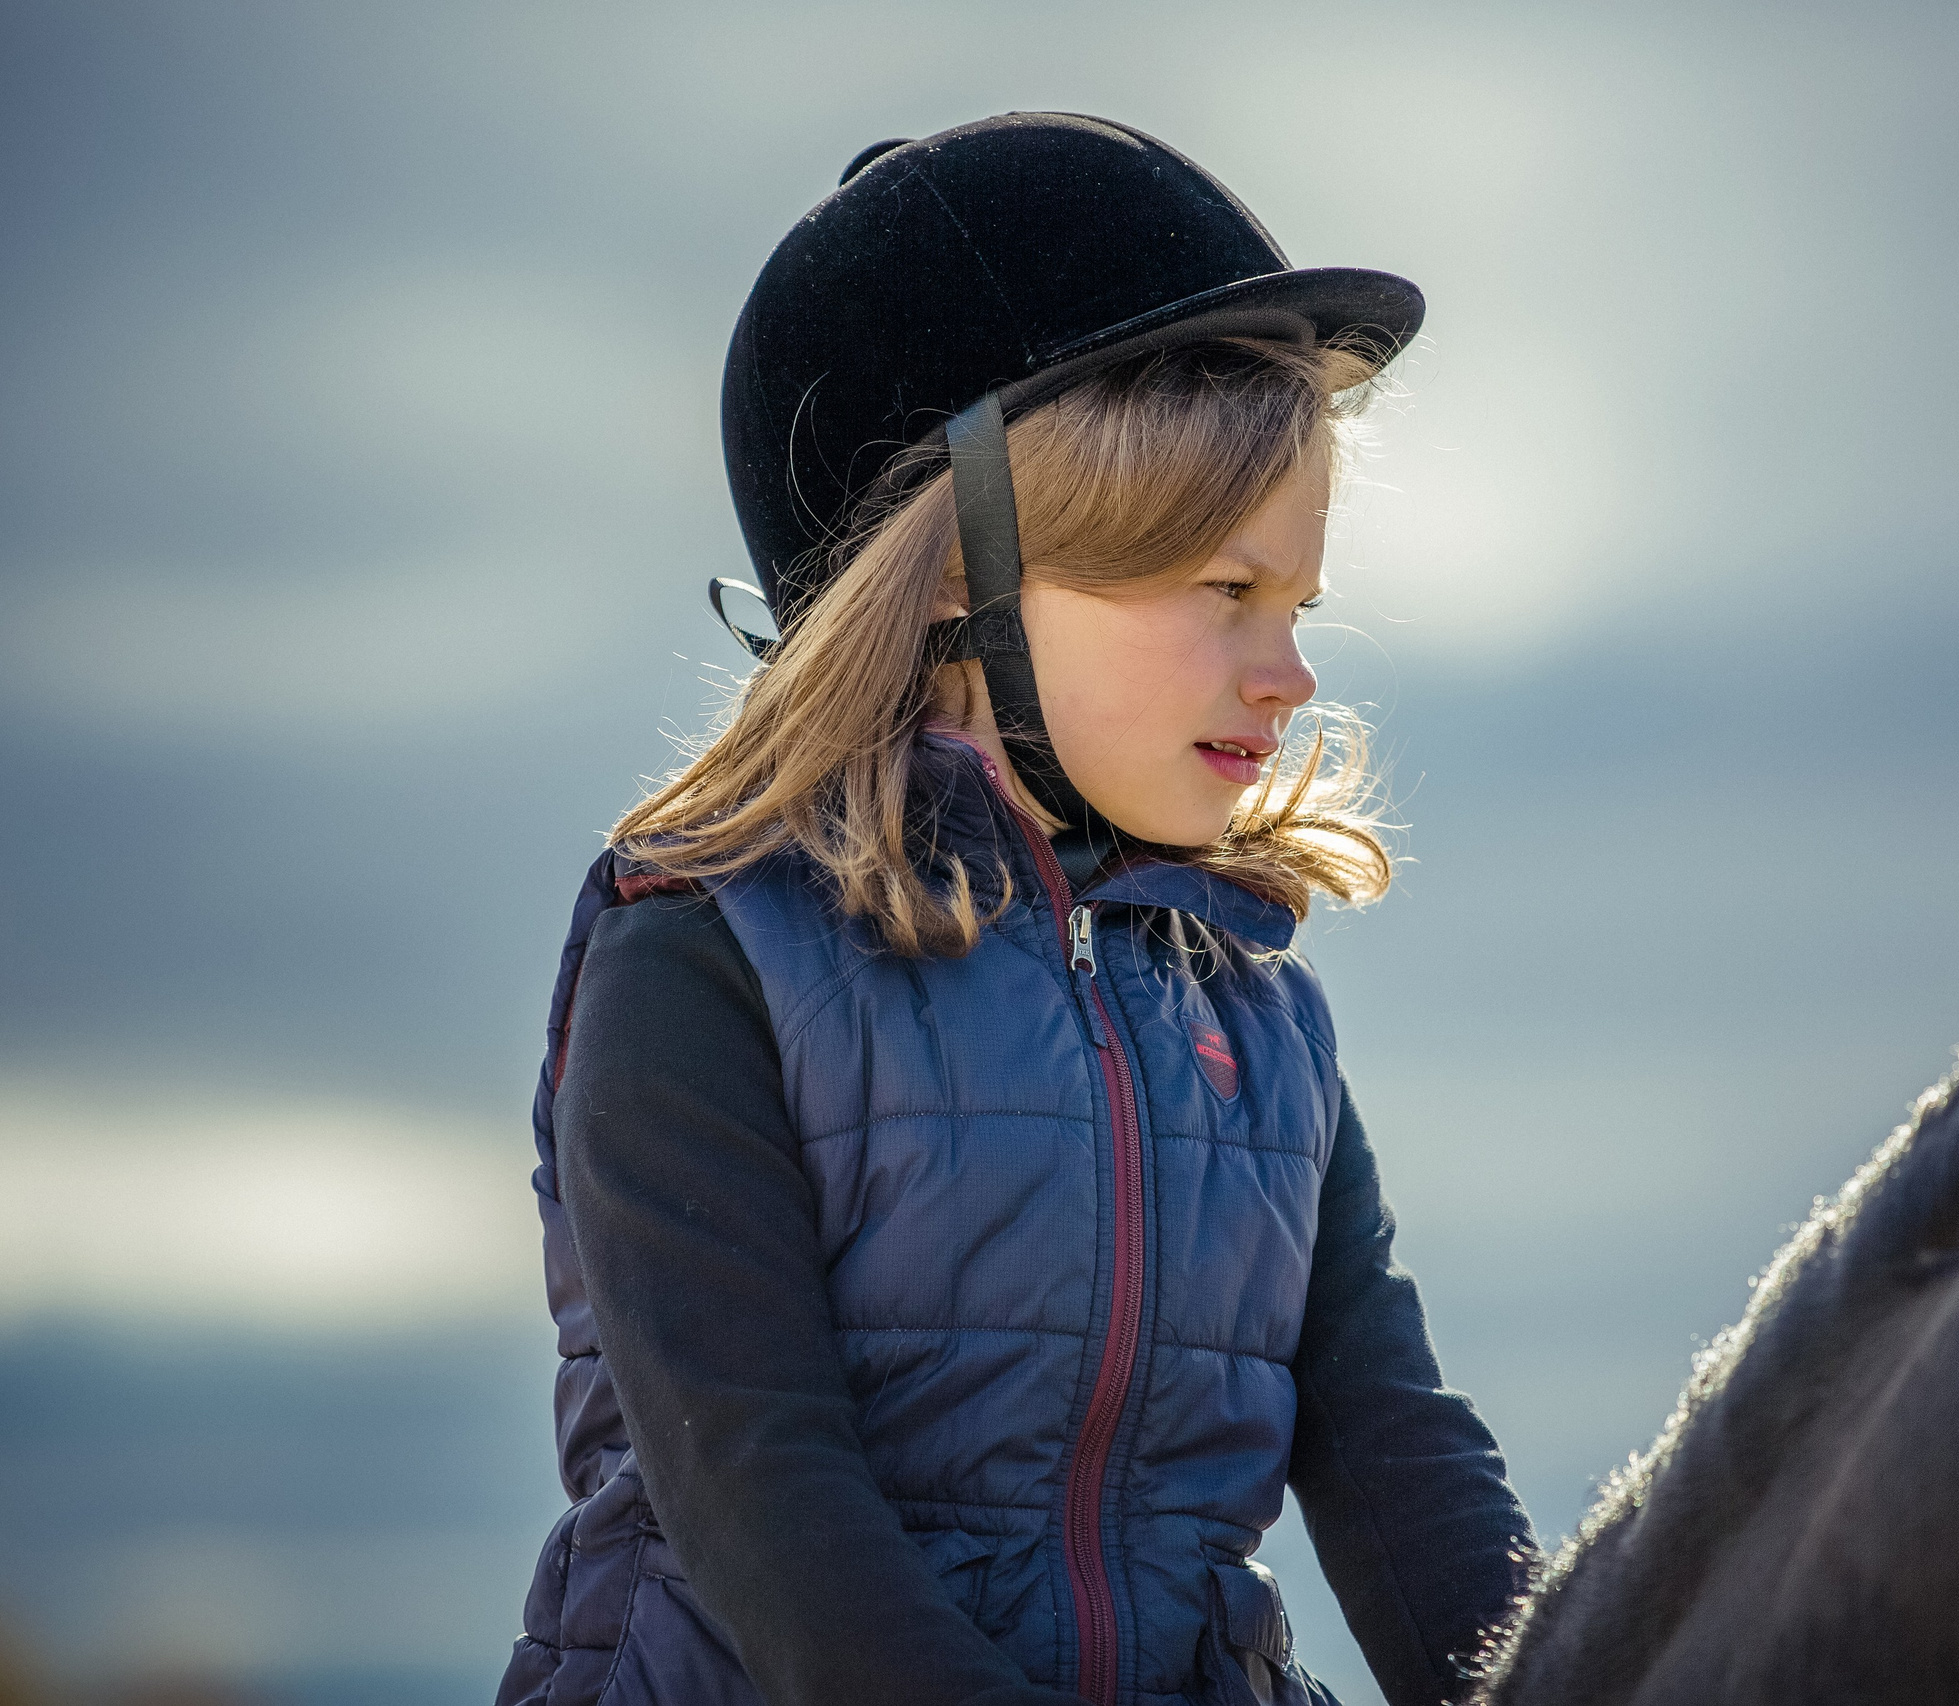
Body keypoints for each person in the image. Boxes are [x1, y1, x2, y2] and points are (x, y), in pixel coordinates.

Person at [498, 113, 1535, 1706]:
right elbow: (766, 1498)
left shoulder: (1253, 1008)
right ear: (946, 578)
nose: (1291, 670)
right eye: (1221, 590)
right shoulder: (700, 958)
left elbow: (1401, 1457)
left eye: (1298, 602)